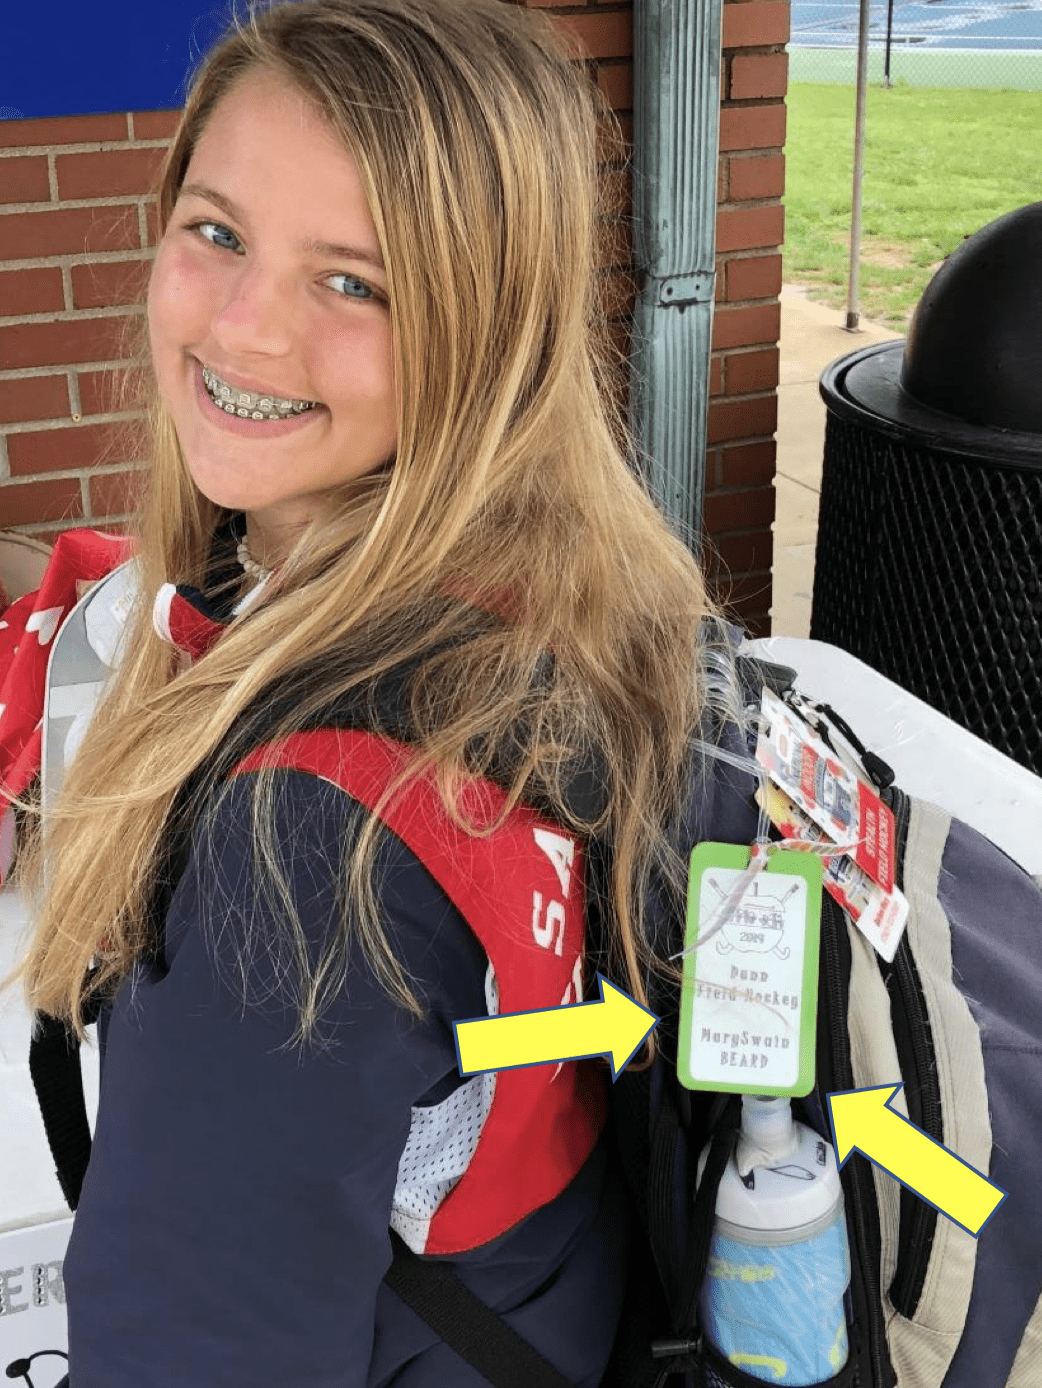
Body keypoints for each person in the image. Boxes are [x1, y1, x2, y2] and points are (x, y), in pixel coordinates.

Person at [5, 1, 733, 1383]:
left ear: (484, 327)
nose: (241, 329)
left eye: (355, 281)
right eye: (215, 231)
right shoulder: (587, 597)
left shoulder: (294, 865)